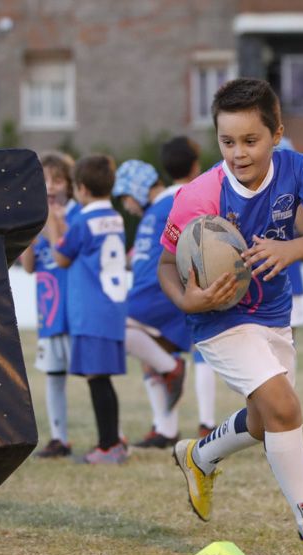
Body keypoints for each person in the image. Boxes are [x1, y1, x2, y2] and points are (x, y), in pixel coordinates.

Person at [157, 78, 303, 555]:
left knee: (268, 422)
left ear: (276, 134)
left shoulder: (297, 169)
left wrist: (289, 249)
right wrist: (191, 302)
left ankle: (199, 457)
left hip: (273, 314)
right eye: (228, 142)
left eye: (251, 140)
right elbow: (166, 265)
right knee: (284, 407)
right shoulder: (200, 195)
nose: (239, 153)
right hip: (220, 322)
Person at [113, 147, 198, 449]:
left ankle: (171, 369)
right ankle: (165, 430)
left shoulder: (175, 198)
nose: (127, 206)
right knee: (151, 355)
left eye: (125, 197)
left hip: (159, 291)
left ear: (136, 188)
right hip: (150, 288)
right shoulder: (155, 209)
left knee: (117, 329)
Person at [46, 155, 129, 464]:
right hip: (113, 308)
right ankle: (113, 441)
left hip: (93, 311)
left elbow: (62, 257)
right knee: (102, 377)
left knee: (98, 379)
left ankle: (108, 446)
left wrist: (54, 225)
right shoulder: (114, 217)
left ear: (80, 188)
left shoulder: (82, 221)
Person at [19, 151, 80, 458]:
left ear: (70, 184)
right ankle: (59, 438)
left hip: (74, 309)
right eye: (43, 180)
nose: (50, 186)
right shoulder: (35, 218)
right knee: (53, 375)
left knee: (92, 373)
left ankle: (113, 436)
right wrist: (31, 231)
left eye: (57, 180)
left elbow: (68, 253)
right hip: (49, 310)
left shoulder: (76, 214)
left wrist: (56, 222)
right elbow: (28, 266)